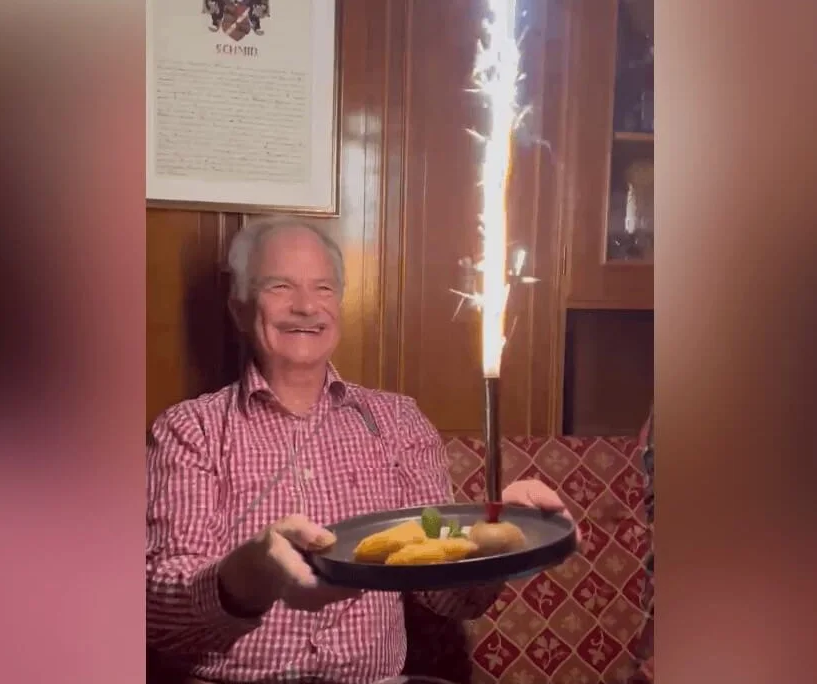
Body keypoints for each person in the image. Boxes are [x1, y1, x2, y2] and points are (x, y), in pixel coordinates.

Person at [146, 216, 575, 684]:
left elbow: (448, 597)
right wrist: (243, 576)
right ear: (239, 307)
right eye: (280, 286)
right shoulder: (191, 429)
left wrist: (496, 539)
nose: (306, 306)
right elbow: (159, 614)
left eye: (324, 289)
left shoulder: (397, 423)